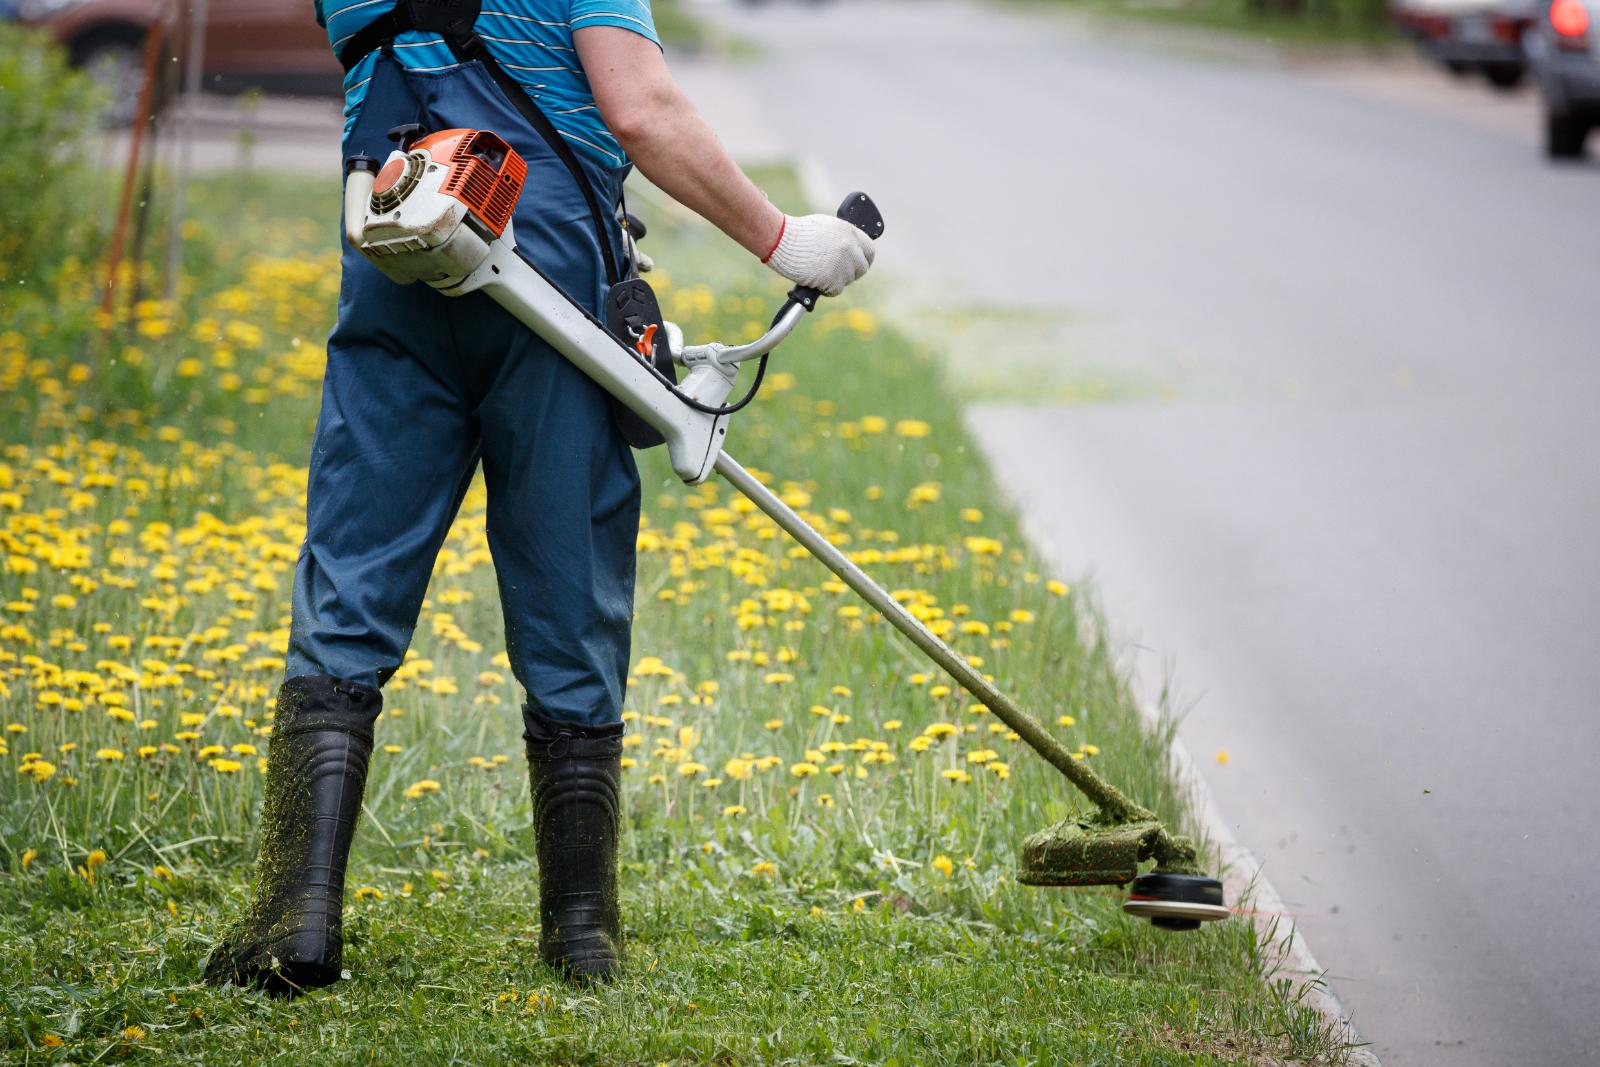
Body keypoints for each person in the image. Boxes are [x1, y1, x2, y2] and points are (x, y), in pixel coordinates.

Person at [203, 0, 875, 994]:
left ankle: (291, 920)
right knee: (568, 564)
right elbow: (638, 108)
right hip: (542, 249)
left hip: (397, 229)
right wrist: (784, 241)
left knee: (354, 558)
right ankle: (581, 928)